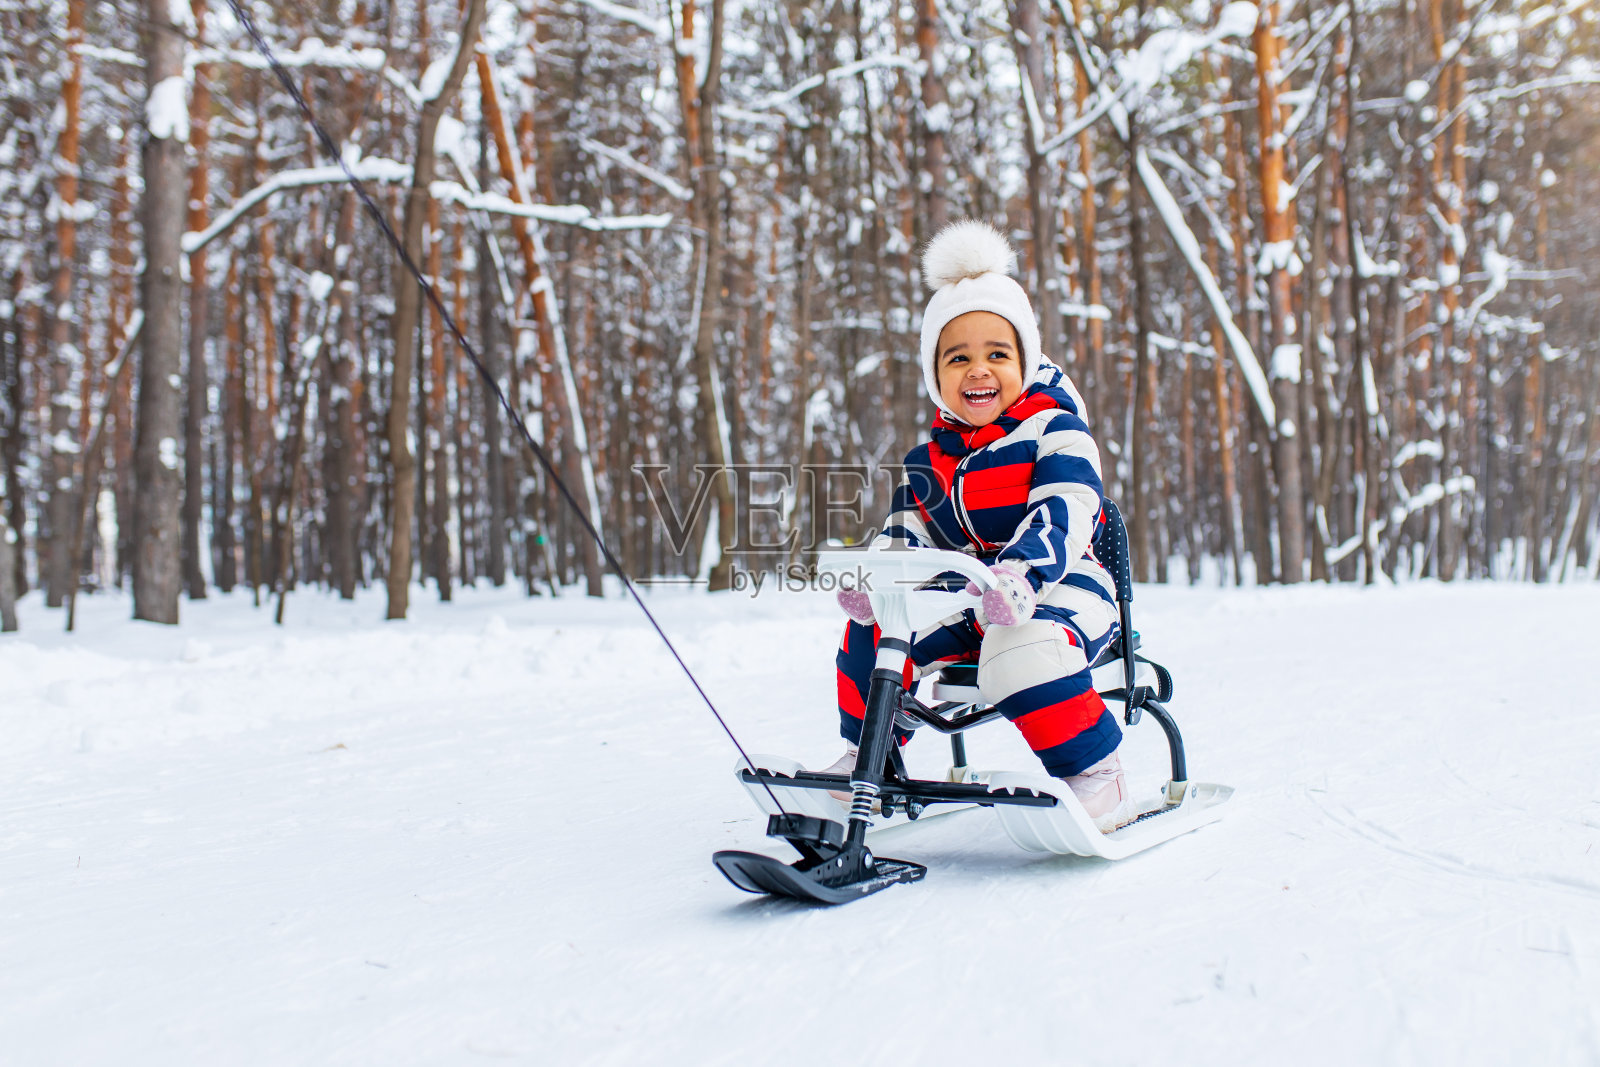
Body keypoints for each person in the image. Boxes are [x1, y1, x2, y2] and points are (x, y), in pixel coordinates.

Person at [824, 219, 1132, 831]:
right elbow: (907, 530)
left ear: (1026, 359)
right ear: (935, 376)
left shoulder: (1056, 432)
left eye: (997, 354)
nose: (978, 371)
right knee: (879, 632)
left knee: (1020, 648)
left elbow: (1066, 511)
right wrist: (878, 576)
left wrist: (1020, 575)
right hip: (971, 601)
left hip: (1064, 589)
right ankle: (872, 756)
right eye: (957, 357)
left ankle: (1097, 772)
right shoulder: (930, 460)